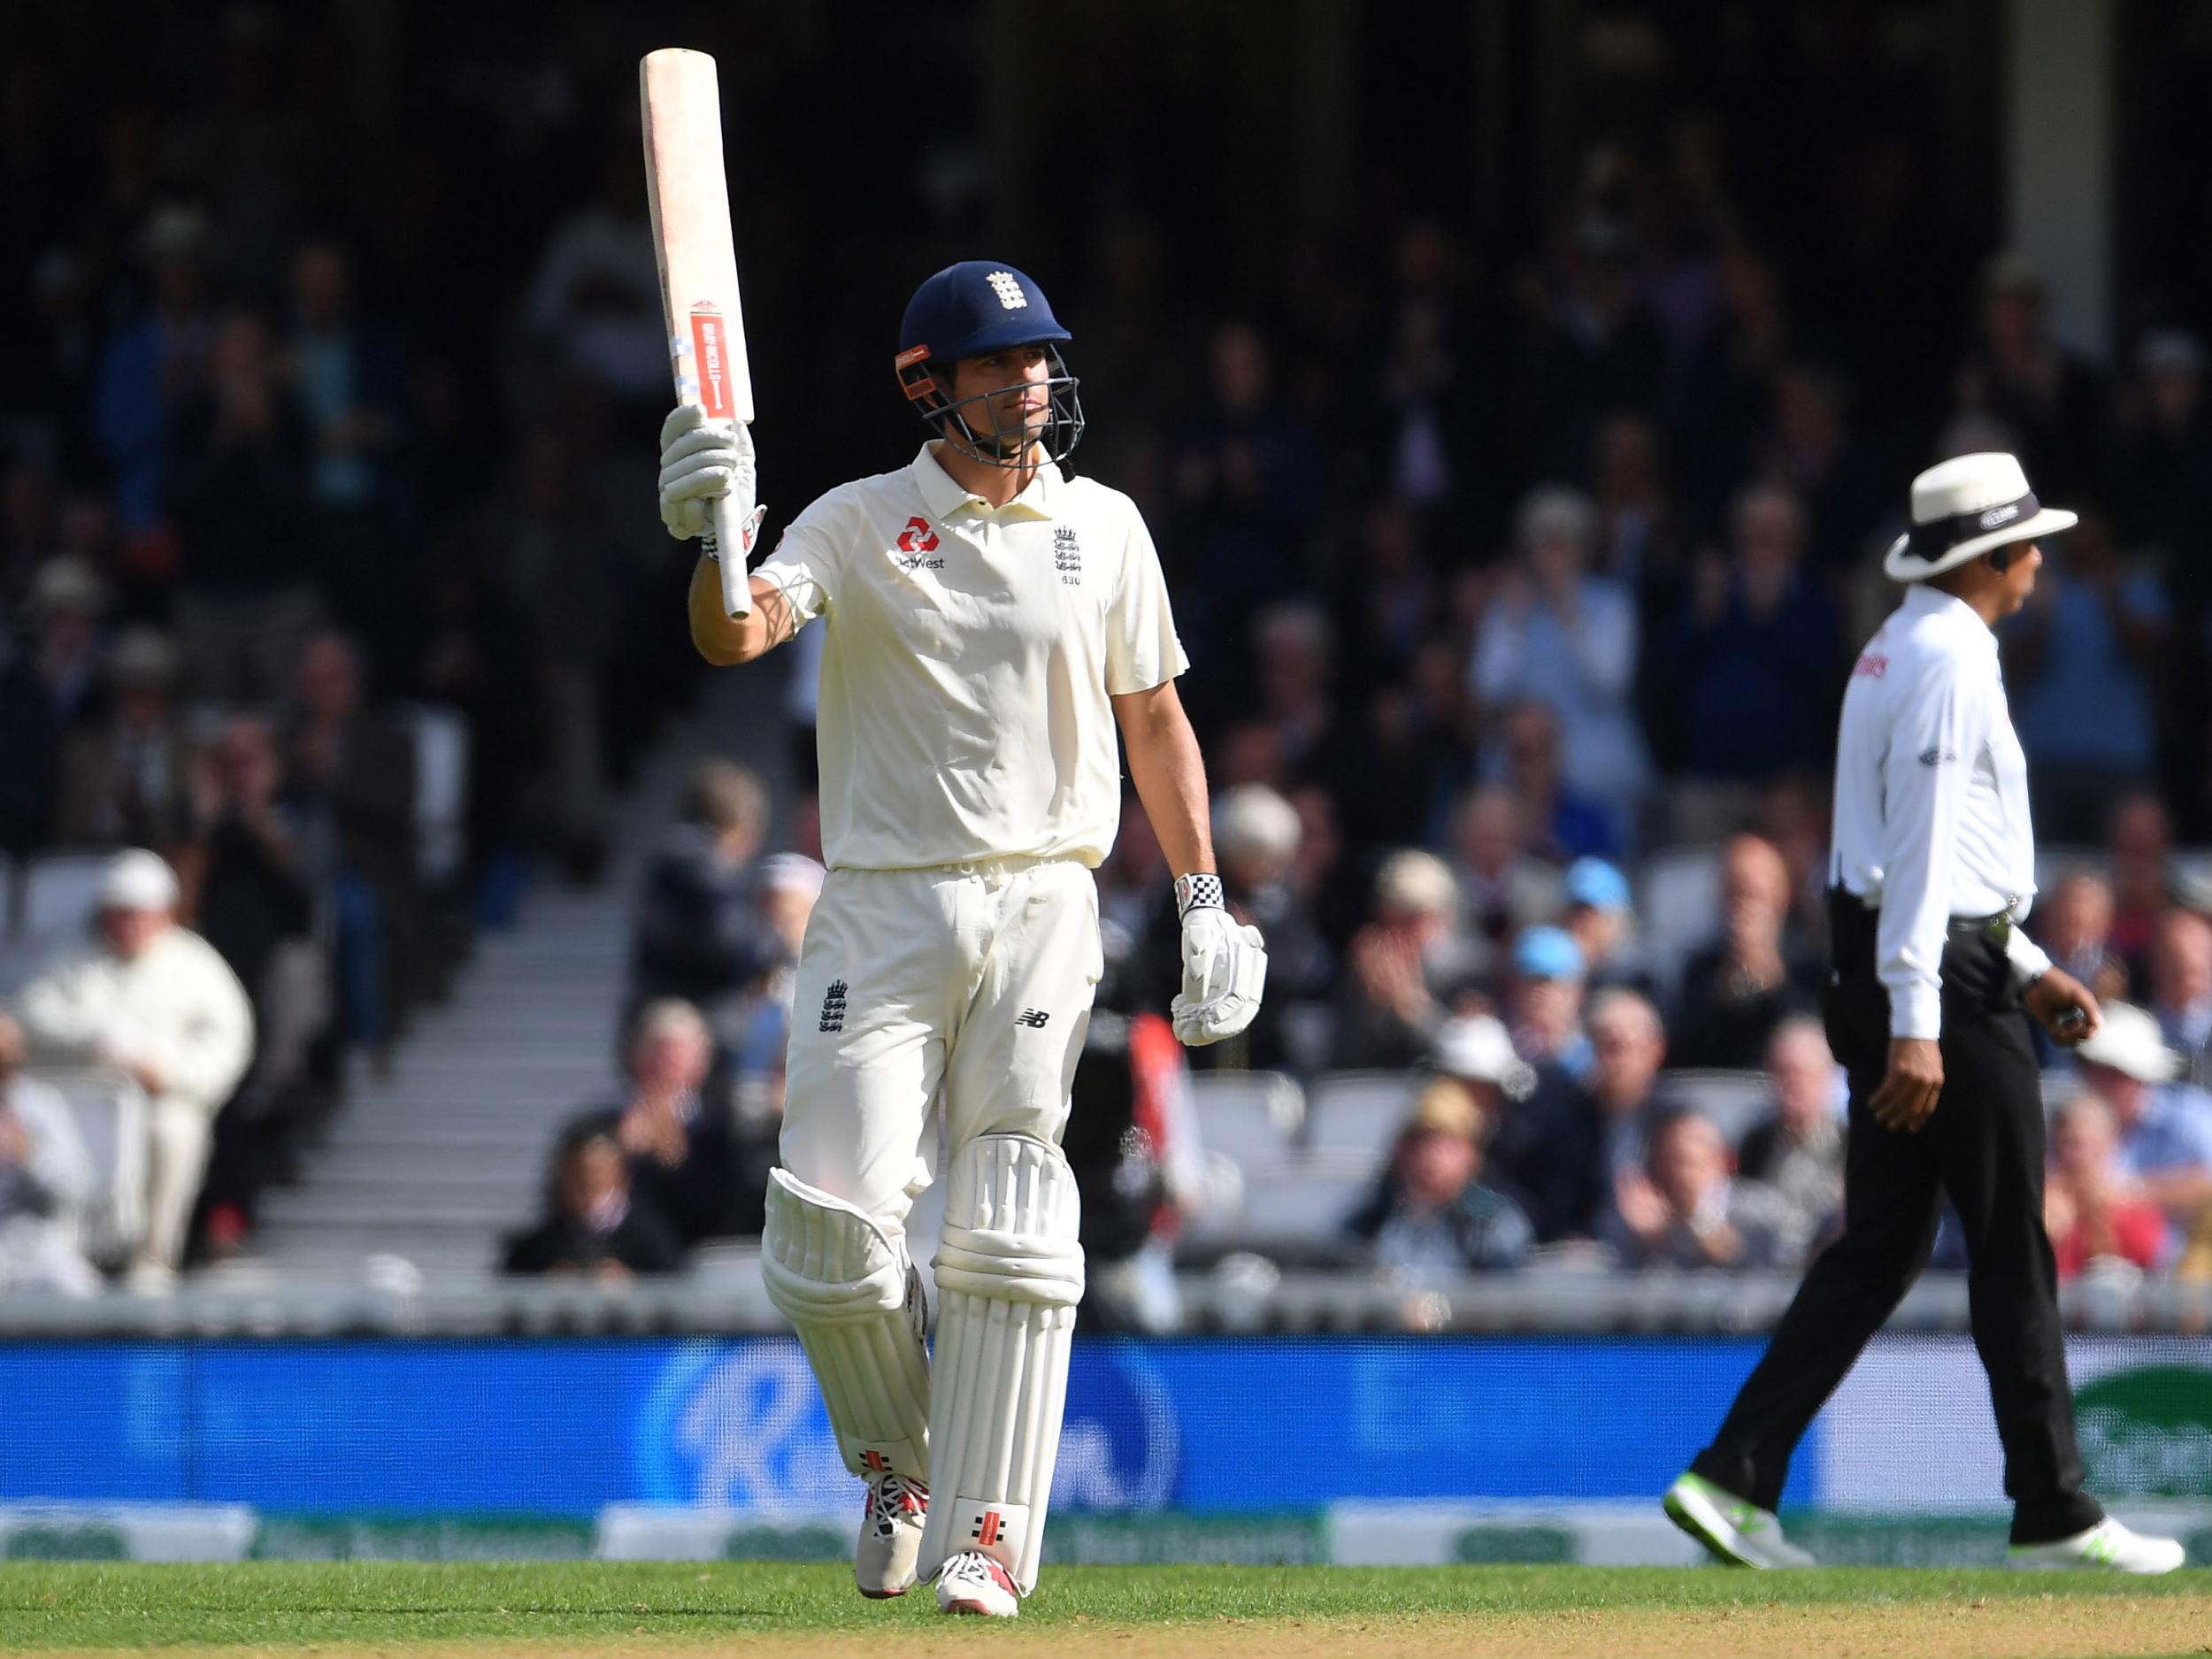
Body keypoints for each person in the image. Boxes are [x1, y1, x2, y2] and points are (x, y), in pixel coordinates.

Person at [659, 261, 1265, 1617]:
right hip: (881, 899)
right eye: (999, 366)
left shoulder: (1103, 525)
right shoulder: (861, 518)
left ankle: (989, 1532)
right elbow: (734, 631)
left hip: (1047, 890)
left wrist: (1204, 895)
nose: (1031, 385)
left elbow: (1156, 717)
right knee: (825, 1232)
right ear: (927, 384)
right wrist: (709, 535)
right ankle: (898, 1463)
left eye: (1041, 359)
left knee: (1009, 1206)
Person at [1667, 452, 2183, 1573]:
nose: (2039, 560)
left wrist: (2028, 964)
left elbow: (1925, 853)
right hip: (1932, 978)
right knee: (2010, 1242)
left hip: (1905, 963)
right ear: (1989, 558)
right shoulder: (1953, 656)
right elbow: (1927, 848)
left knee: (1884, 1248)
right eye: (2026, 543)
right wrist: (1922, 1013)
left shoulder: (1895, 644)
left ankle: (1731, 1477)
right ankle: (2053, 1510)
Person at [12, 849, 254, 1287]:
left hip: (160, 1098)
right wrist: (92, 1040)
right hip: (76, 1098)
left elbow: (229, 1039)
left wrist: (167, 1070)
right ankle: (66, 1260)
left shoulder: (194, 965)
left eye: (142, 915)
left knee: (174, 1132)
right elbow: (27, 1018)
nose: (131, 926)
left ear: (164, 914)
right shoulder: (71, 957)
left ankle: (152, 1263)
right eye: (121, 914)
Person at [1345, 1076, 1533, 1279]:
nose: (1431, 1155)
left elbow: (1502, 1299)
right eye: (1421, 1141)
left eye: (1446, 1143)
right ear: (1402, 1150)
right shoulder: (1373, 1221)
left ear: (1471, 1154)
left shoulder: (1493, 1224)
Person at [1601, 1109, 1794, 1272]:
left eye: (1687, 1162)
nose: (1679, 1174)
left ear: (1719, 1161)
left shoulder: (1757, 1206)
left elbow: (1745, 1261)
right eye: (1669, 1161)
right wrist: (1648, 1243)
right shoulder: (1644, 1212)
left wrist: (1694, 1216)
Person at [500, 1120, 683, 1280]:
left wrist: (632, 1289)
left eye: (597, 1174)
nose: (586, 1185)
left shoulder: (651, 1240)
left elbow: (676, 1293)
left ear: (621, 1177)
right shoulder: (535, 1247)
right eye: (575, 1175)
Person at [0, 1012, 100, 1295]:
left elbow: (76, 1187)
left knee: (74, 1288)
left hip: (36, 1241)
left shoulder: (42, 1105)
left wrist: (30, 1157)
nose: (8, 1068)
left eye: (12, 1057)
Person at [1734, 1017, 1847, 1256]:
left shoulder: (1851, 1143)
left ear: (1826, 1078)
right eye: (1783, 1073)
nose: (1793, 1084)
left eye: (1803, 1074)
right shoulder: (1755, 1143)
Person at [2043, 1095, 2169, 1281]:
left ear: (2110, 1143)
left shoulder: (2133, 1208)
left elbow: (2146, 1260)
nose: (2071, 1155)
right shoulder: (2041, 1200)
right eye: (2065, 1142)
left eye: (2079, 1144)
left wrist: (2103, 1219)